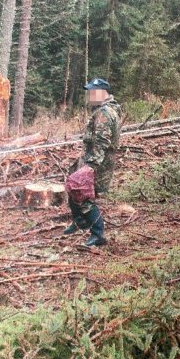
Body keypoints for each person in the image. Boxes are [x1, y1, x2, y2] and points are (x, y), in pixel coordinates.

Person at [63, 78, 122, 247]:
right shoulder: (103, 110)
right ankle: (80, 221)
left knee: (85, 196)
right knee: (73, 186)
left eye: (93, 92)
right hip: (91, 158)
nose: (89, 95)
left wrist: (91, 166)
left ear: (103, 93)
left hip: (98, 162)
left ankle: (98, 234)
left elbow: (102, 141)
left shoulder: (105, 112)